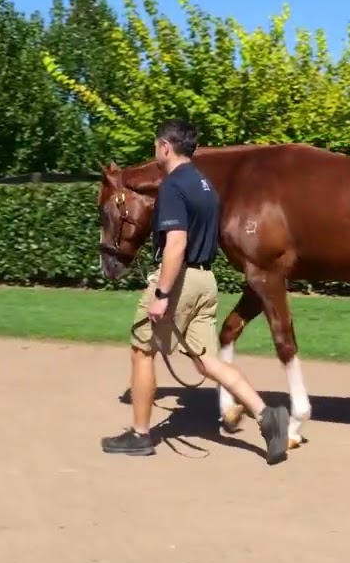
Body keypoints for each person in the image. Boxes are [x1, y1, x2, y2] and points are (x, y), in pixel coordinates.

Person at [100, 119, 291, 465]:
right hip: (206, 281)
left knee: (142, 351)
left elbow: (176, 244)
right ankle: (267, 415)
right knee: (208, 362)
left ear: (166, 147)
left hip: (180, 281)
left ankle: (140, 434)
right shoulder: (205, 185)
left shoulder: (173, 186)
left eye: (156, 144)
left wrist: (161, 295)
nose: (155, 150)